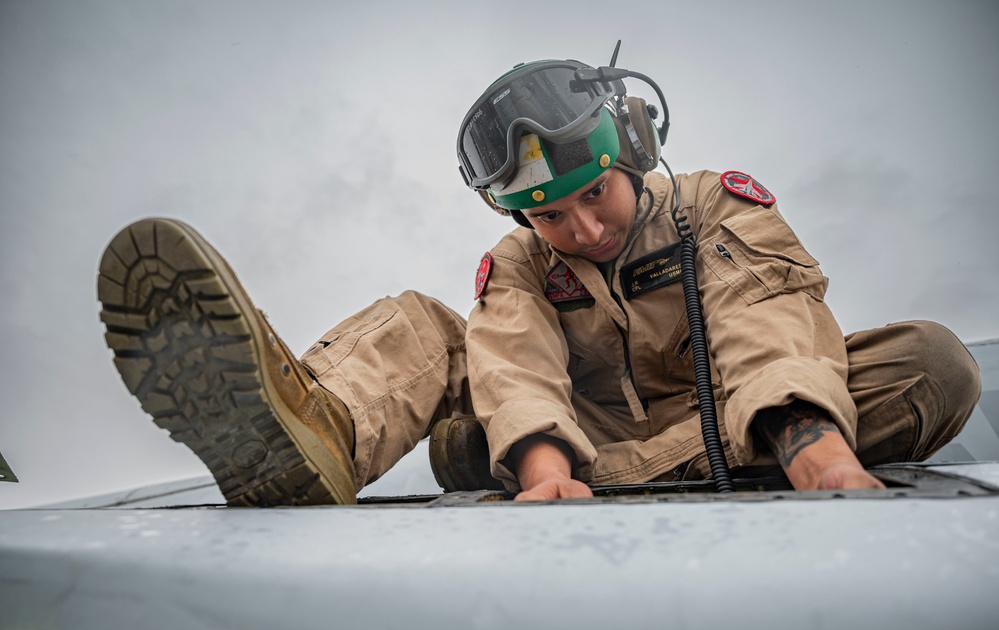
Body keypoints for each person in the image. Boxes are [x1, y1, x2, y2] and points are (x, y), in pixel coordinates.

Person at [97, 55, 981, 506]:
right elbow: (512, 357)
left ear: (631, 152)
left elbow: (767, 323)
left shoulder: (710, 205)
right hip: (567, 444)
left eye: (593, 196)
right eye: (551, 214)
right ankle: (318, 435)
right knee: (427, 322)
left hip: (753, 419)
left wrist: (818, 450)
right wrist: (549, 470)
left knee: (931, 362)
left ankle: (531, 463)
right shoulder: (525, 257)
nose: (582, 231)